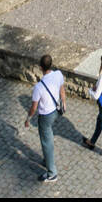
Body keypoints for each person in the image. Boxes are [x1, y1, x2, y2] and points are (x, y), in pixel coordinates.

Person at [25, 53, 66, 182]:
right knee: (48, 137)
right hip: (56, 111)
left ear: (41, 68)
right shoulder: (58, 74)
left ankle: (51, 173)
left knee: (46, 142)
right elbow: (62, 91)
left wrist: (27, 119)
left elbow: (33, 108)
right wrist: (64, 103)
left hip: (45, 117)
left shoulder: (39, 87)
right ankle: (47, 160)